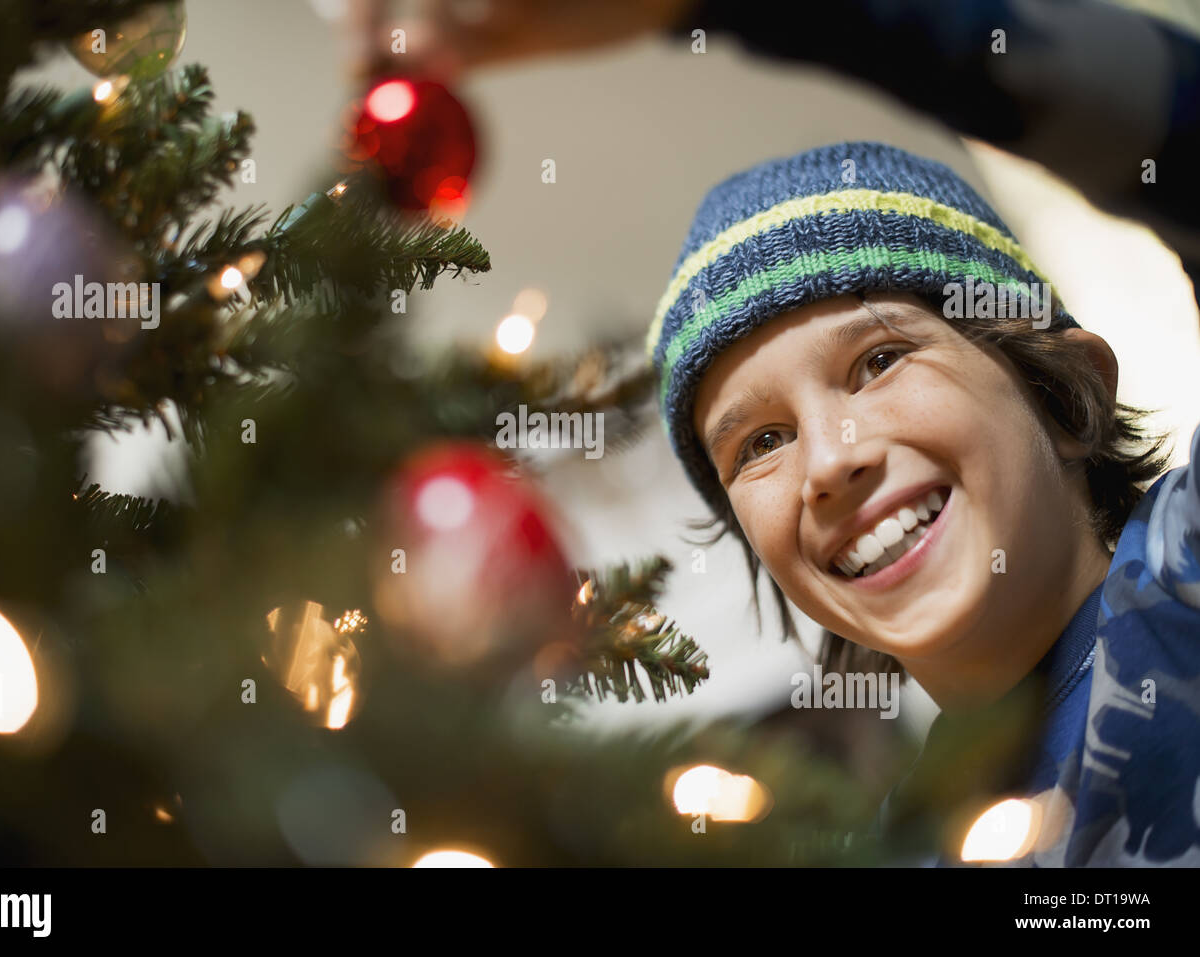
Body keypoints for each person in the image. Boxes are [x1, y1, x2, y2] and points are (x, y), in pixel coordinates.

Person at [347, 0, 1200, 865]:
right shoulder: (914, 841)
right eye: (757, 443)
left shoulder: (1186, 576)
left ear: (1067, 393)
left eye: (879, 362)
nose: (828, 462)